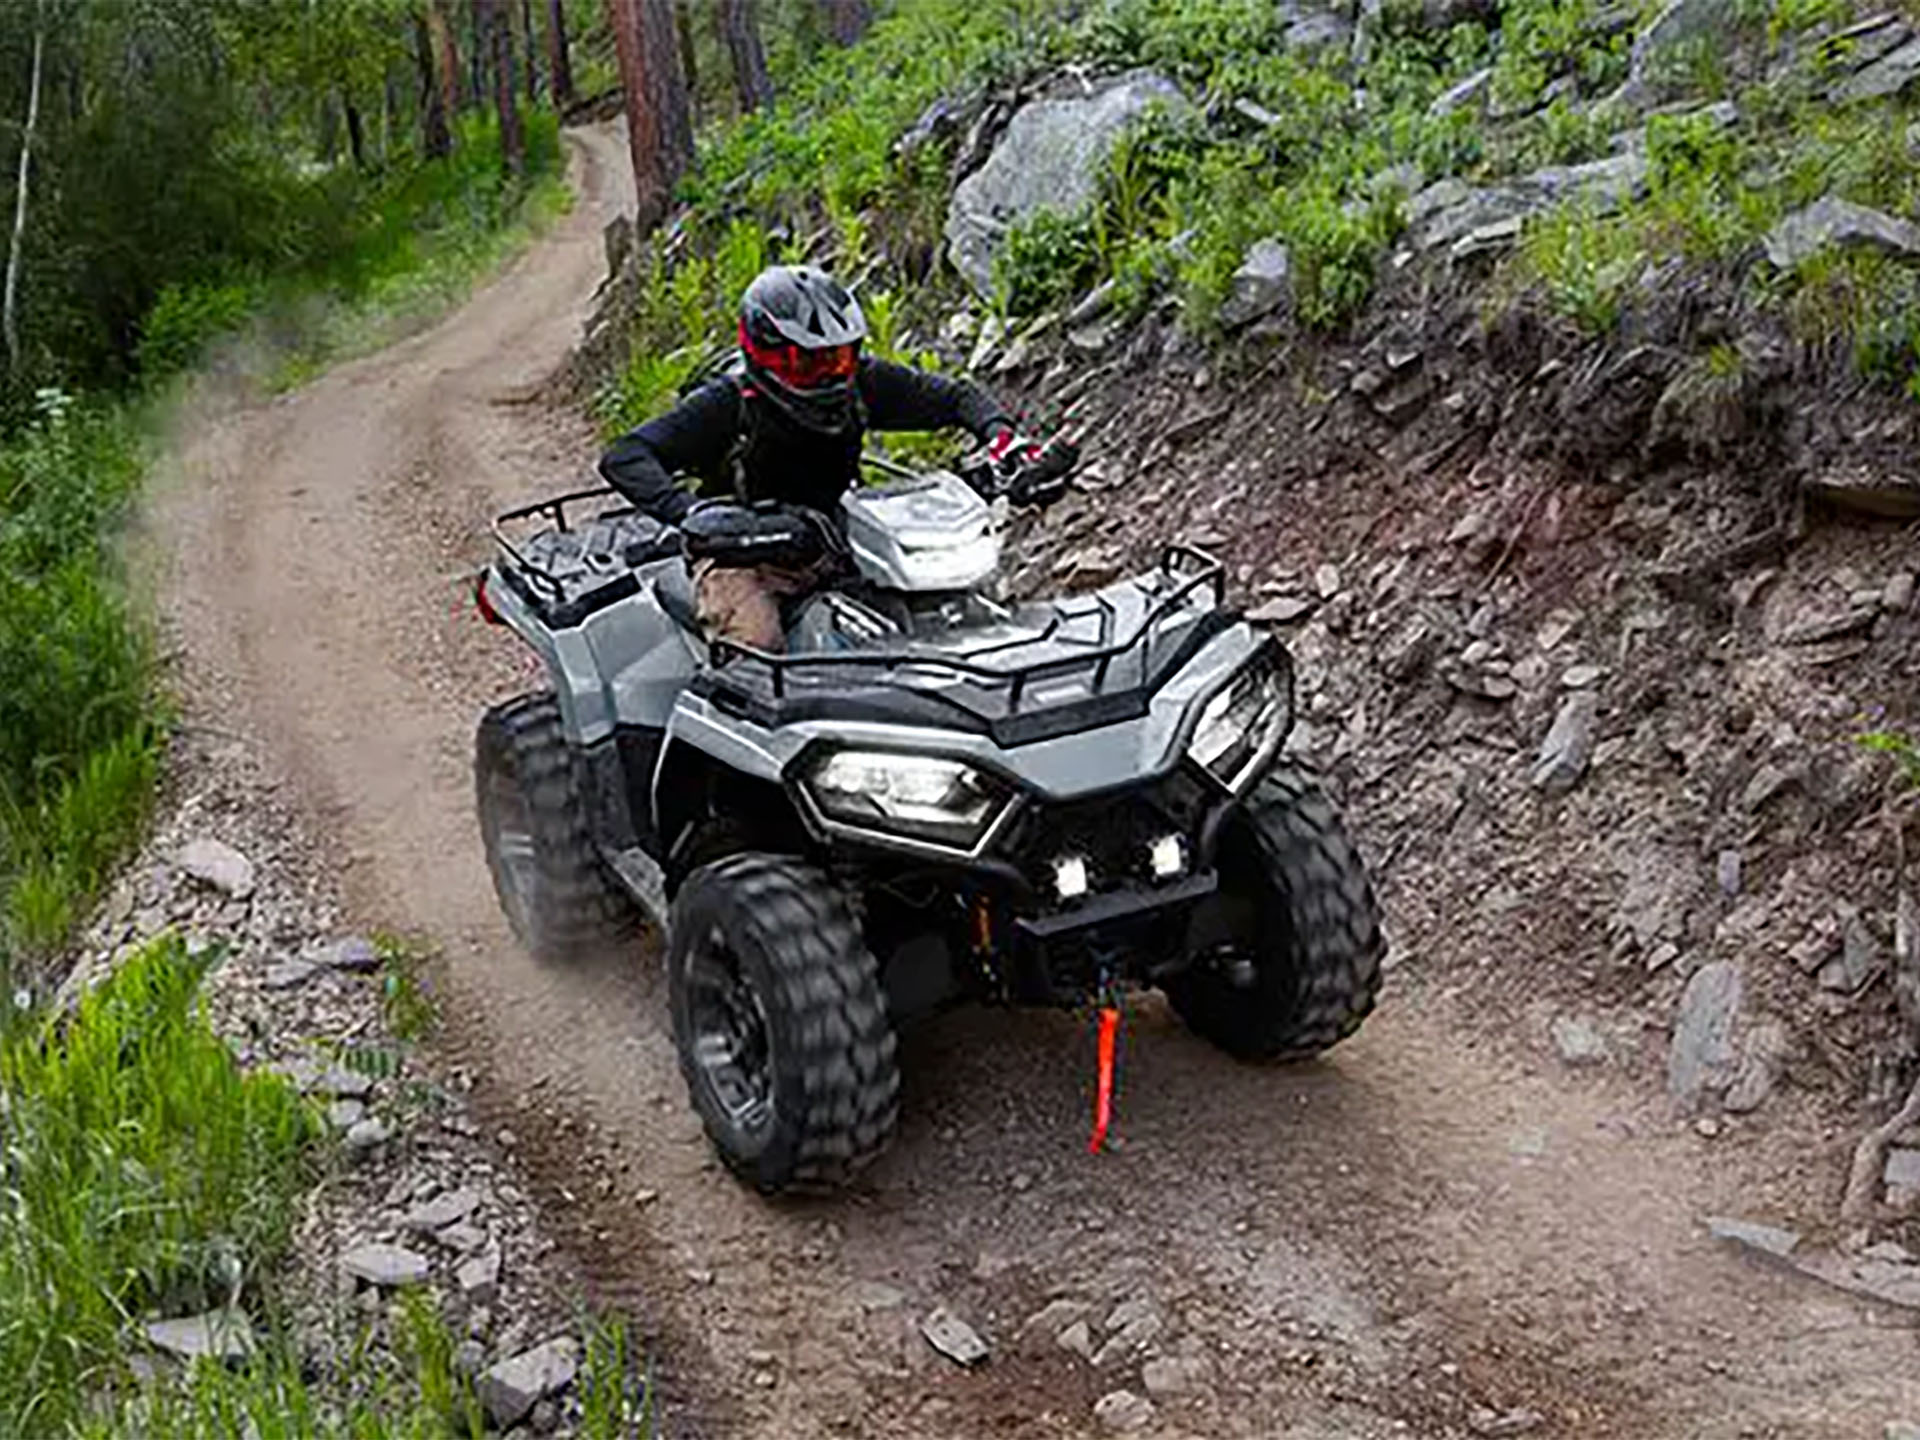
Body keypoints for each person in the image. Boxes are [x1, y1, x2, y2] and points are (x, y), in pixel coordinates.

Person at [599, 264, 1039, 651]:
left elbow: (956, 398)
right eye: (803, 363)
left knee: (957, 604)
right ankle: (737, 728)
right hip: (741, 555)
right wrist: (694, 513)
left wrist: (1003, 441)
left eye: (838, 358)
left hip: (835, 537)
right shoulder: (728, 404)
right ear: (762, 354)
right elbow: (626, 455)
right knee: (758, 641)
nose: (827, 373)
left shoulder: (862, 385)